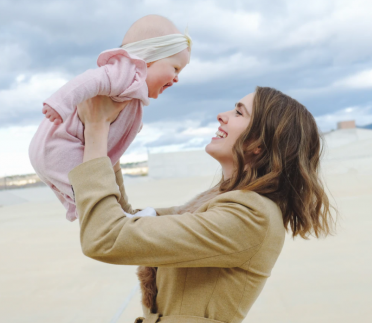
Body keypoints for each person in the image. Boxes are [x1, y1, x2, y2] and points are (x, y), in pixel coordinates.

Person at [68, 87, 335, 323]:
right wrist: (111, 142)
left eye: (239, 113)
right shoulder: (223, 202)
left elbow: (105, 237)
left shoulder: (250, 216)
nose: (222, 115)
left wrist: (96, 129)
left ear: (260, 144)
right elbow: (128, 222)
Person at [28, 15, 192, 221]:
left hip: (55, 150)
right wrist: (59, 104)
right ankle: (113, 217)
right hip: (59, 146)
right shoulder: (125, 73)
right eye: (175, 68)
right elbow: (90, 80)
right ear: (149, 58)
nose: (177, 78)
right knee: (90, 188)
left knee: (91, 185)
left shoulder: (134, 93)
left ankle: (96, 212)